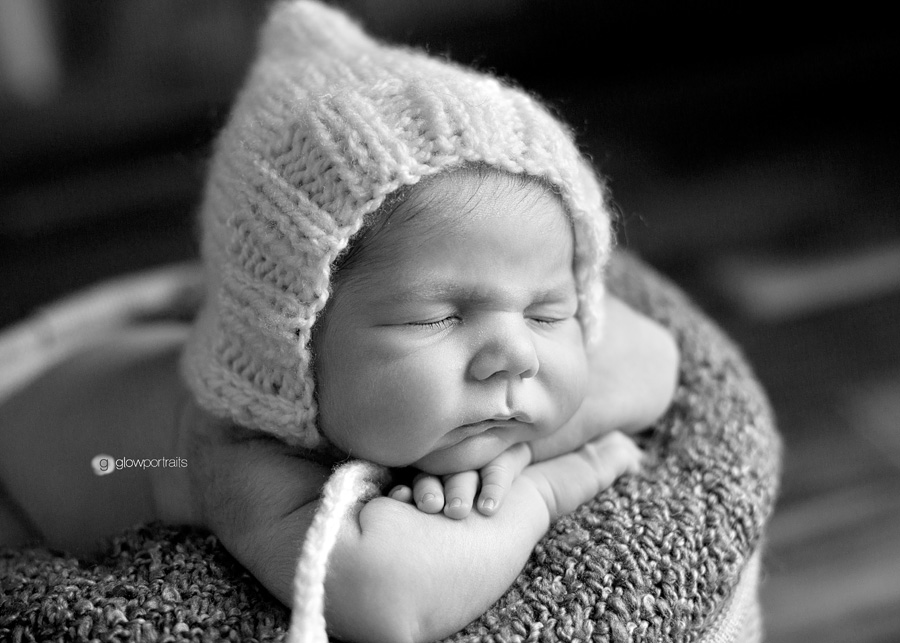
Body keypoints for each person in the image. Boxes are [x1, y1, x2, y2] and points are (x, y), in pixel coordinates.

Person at [0, 2, 679, 642]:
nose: (515, 355)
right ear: (293, 346)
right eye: (439, 317)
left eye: (546, 310)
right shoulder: (228, 447)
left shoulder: (418, 371)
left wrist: (517, 445)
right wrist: (548, 485)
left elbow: (650, 355)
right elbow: (384, 594)